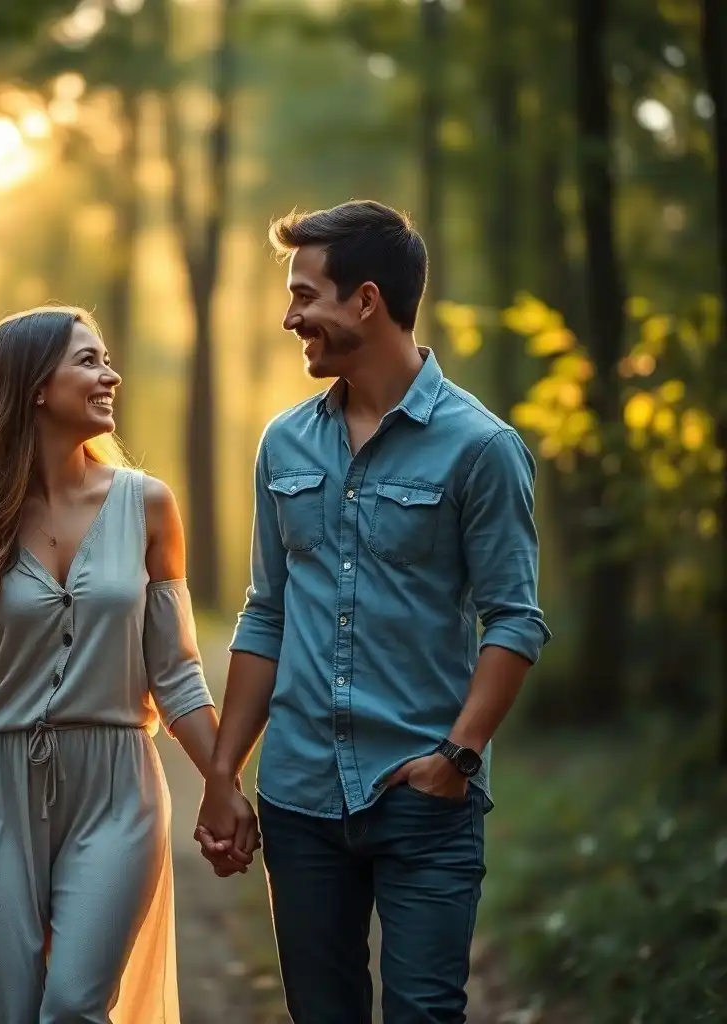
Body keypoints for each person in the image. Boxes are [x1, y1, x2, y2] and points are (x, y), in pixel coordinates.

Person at [195, 201, 551, 1023]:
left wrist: (456, 760)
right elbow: (265, 615)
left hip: (424, 797)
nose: (291, 319)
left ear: (364, 299)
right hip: (299, 798)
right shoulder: (283, 445)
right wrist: (223, 774)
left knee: (425, 1013)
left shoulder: (481, 448)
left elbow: (515, 620)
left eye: (304, 296)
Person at [0, 305, 219, 1024]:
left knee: (72, 1007)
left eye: (107, 358)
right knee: (8, 1009)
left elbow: (178, 672)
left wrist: (223, 783)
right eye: (88, 361)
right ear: (35, 386)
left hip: (118, 787)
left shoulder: (149, 506)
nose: (110, 375)